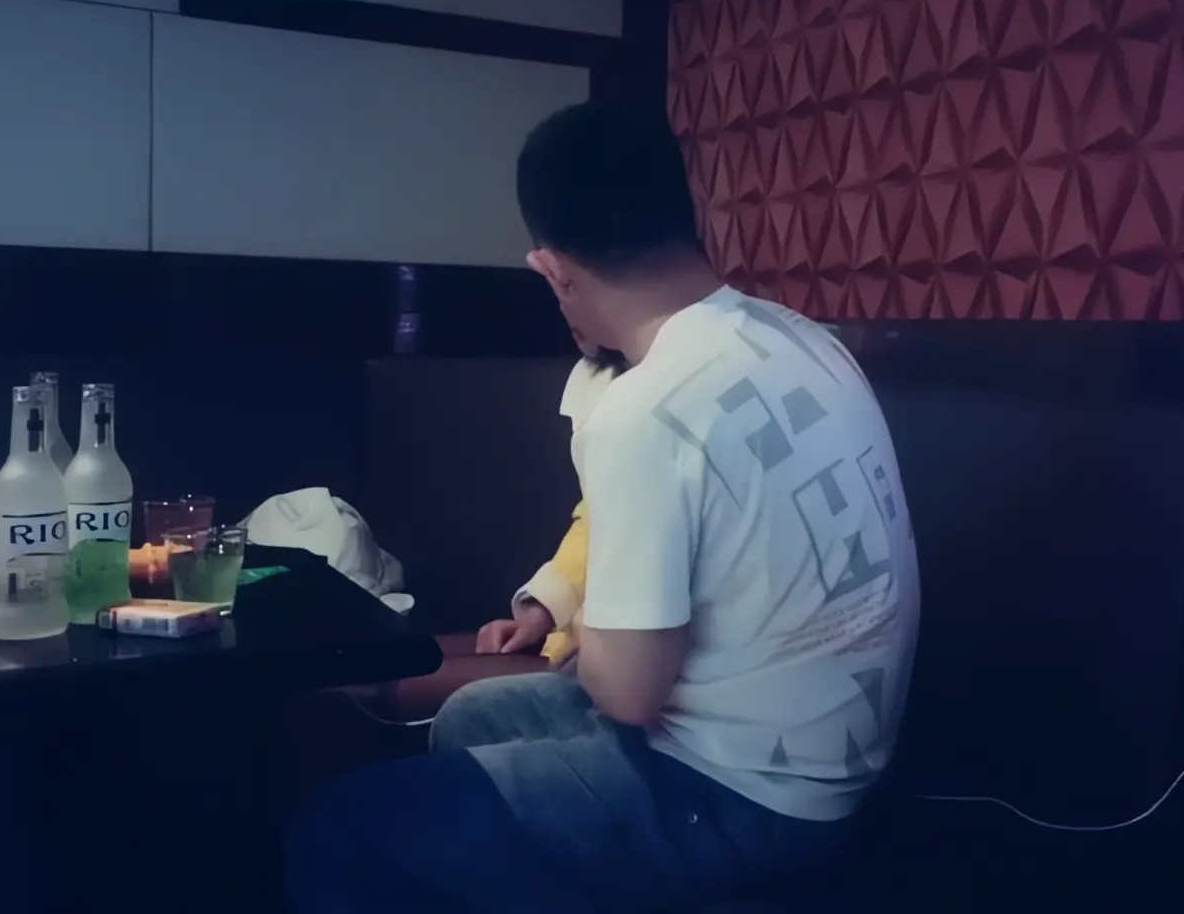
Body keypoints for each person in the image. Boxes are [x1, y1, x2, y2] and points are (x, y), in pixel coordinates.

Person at [284, 101, 921, 914]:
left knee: (338, 828)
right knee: (472, 720)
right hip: (840, 768)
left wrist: (592, 644)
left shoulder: (645, 409)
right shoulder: (807, 340)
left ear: (551, 270)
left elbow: (627, 695)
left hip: (741, 797)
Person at [474, 333, 625, 665]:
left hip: (626, 659)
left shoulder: (673, 393)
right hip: (582, 642)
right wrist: (544, 609)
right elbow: (598, 516)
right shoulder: (598, 374)